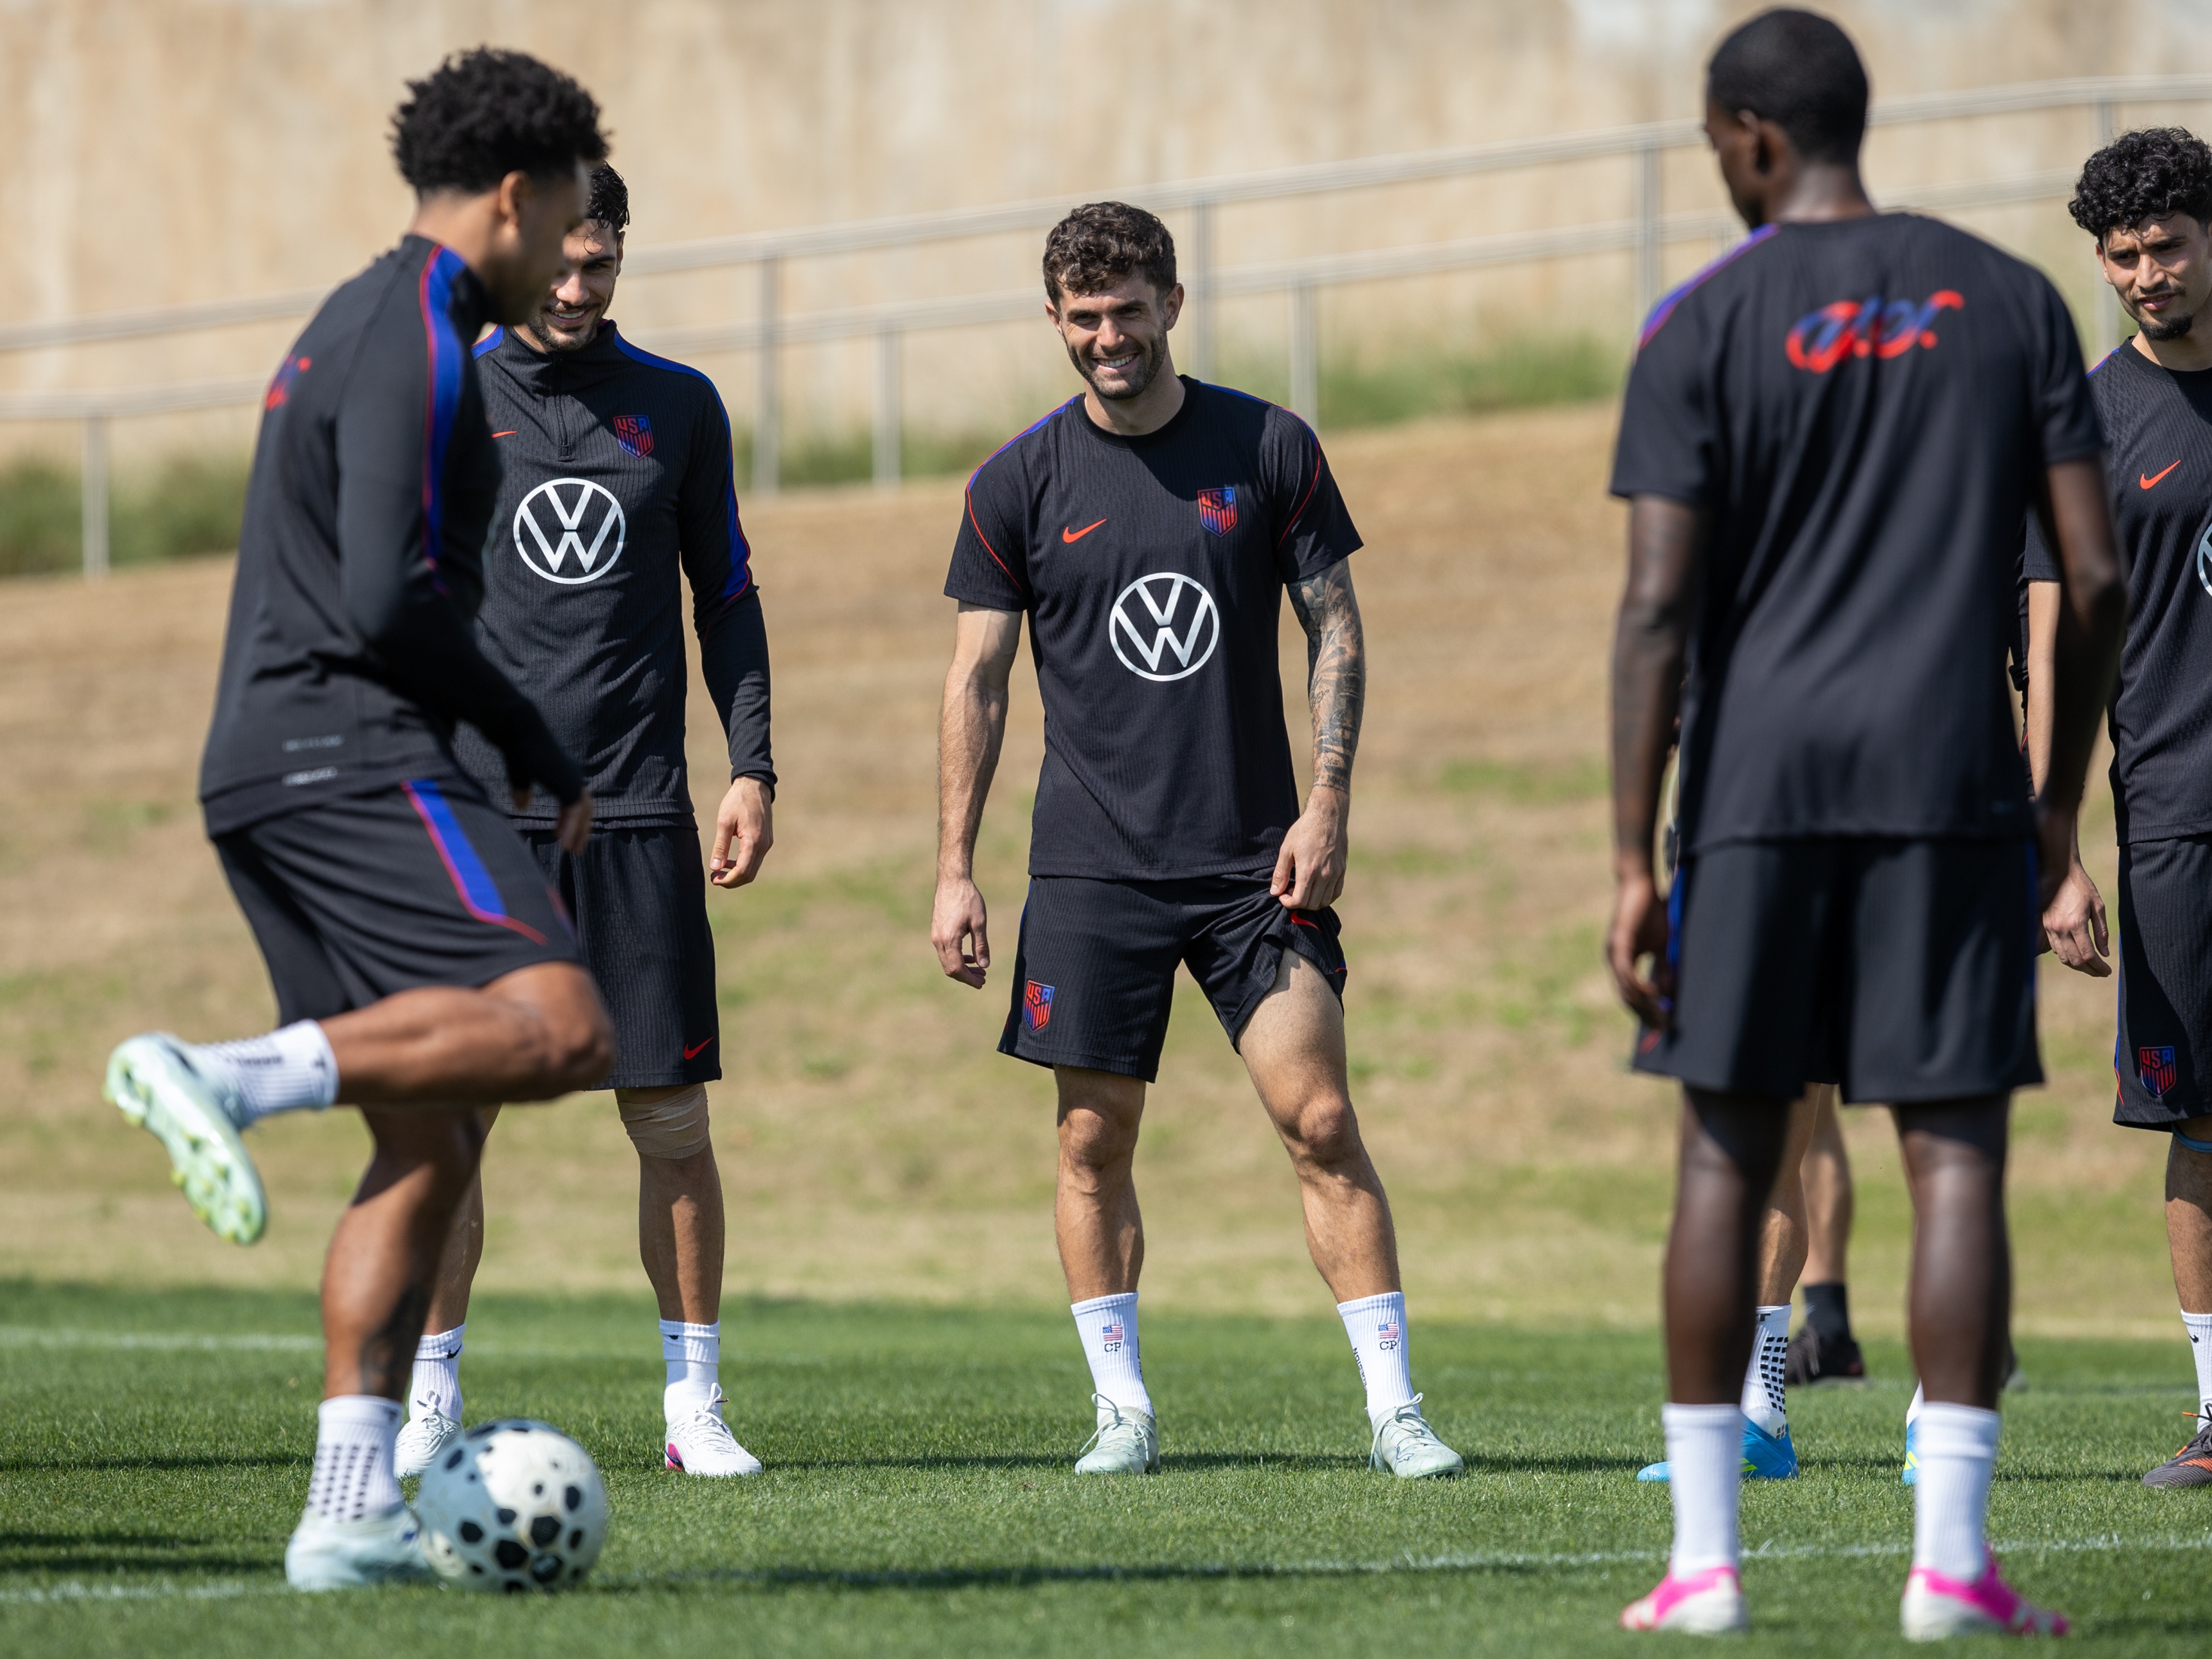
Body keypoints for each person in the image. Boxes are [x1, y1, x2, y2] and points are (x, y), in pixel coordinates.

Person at [1604, 8, 2121, 1639]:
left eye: (1712, 145)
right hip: (1952, 786)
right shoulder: (2014, 299)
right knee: (1955, 1158)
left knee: (1721, 1148)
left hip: (1751, 797)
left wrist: (1633, 851)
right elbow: (2093, 579)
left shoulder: (1699, 320)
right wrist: (2053, 803)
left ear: (1753, 137)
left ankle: (1701, 1568)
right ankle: (1953, 1567)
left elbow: (1656, 609)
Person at [105, 50, 614, 1590]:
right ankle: (228, 1073)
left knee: (433, 1127)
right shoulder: (422, 334)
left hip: (265, 764)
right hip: (346, 749)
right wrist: (531, 737)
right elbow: (391, 591)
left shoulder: (346, 317)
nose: (575, 251)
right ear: (516, 197)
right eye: (574, 215)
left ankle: (348, 1510)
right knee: (565, 1023)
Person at [932, 201, 1461, 1480]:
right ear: (1054, 322)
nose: (1107, 336)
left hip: (1251, 865)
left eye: (1126, 309)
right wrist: (953, 865)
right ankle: (1122, 1411)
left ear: (1172, 301)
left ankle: (1395, 1411)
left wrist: (1327, 799)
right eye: (1083, 316)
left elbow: (1333, 627)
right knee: (1088, 1142)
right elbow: (977, 682)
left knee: (1321, 1119)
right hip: (1090, 868)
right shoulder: (1016, 483)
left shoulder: (1268, 445)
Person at [387, 164, 776, 1481]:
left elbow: (723, 594)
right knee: (451, 1120)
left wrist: (752, 765)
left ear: (621, 258)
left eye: (595, 265)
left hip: (641, 815)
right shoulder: (445, 396)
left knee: (669, 1123)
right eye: (553, 264)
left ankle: (693, 1408)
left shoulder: (678, 407)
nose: (572, 289)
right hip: (481, 821)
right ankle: (429, 1402)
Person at [2023, 125, 2212, 1492]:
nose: (2147, 271)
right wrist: (2056, 850)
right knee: (2199, 1120)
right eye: (2123, 254)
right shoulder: (2083, 430)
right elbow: (2042, 648)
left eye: (2168, 243)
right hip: (2175, 826)